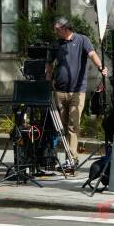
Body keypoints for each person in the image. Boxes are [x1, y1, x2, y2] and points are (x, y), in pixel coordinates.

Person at [46, 17, 107, 167]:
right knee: (63, 126)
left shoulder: (82, 40)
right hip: (59, 91)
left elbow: (92, 54)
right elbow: (48, 62)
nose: (55, 32)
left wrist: (100, 66)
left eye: (57, 29)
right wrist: (49, 80)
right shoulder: (57, 45)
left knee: (73, 125)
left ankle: (71, 159)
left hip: (77, 92)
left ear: (66, 29)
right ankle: (69, 157)